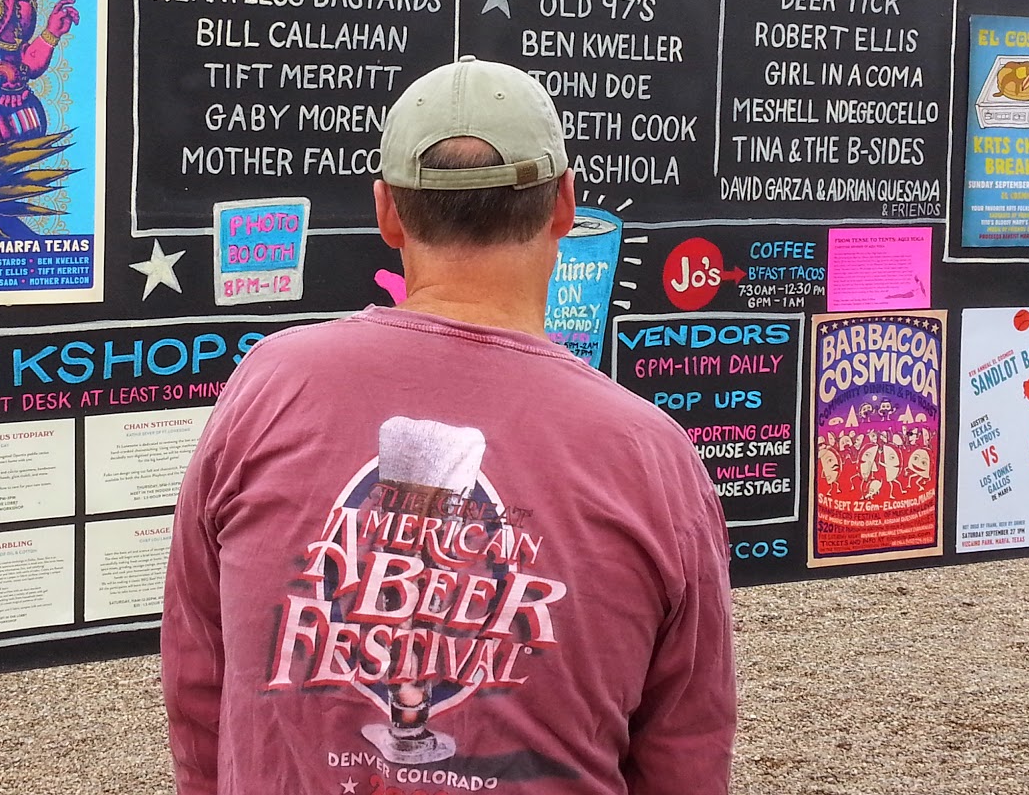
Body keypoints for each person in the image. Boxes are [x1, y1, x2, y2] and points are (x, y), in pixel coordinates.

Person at [162, 56, 736, 794]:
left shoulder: (270, 386)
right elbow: (685, 750)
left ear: (387, 212)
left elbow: (198, 676)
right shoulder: (648, 456)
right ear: (565, 204)